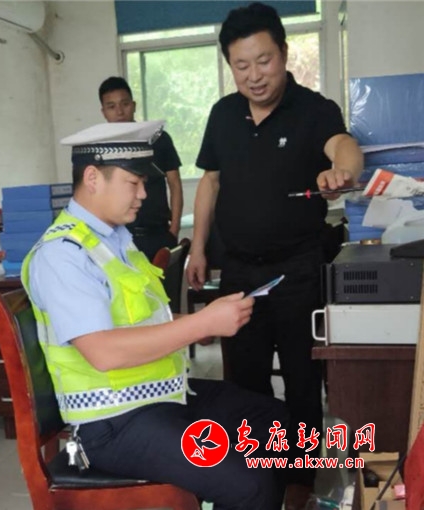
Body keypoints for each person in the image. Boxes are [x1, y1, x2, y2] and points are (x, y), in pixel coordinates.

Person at [22, 120, 292, 510]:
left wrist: (207, 319)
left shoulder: (116, 240)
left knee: (274, 422)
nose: (144, 195)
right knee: (247, 483)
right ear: (93, 178)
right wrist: (200, 324)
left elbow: (144, 321)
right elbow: (103, 352)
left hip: (160, 396)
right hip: (111, 422)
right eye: (133, 183)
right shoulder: (63, 254)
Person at [186, 3, 364, 508]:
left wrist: (342, 172)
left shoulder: (313, 109)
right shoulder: (223, 114)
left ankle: (299, 484)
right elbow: (210, 182)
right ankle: (257, 479)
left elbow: (346, 146)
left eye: (263, 61)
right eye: (241, 65)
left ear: (284, 54)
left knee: (304, 381)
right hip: (238, 270)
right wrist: (197, 248)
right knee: (245, 382)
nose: (254, 75)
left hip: (298, 269)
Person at [99, 76, 183, 261]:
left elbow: (175, 184)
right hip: (118, 237)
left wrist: (174, 229)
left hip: (157, 235)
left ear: (134, 105)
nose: (120, 112)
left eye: (125, 104)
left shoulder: (158, 139)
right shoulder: (99, 148)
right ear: (104, 112)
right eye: (111, 106)